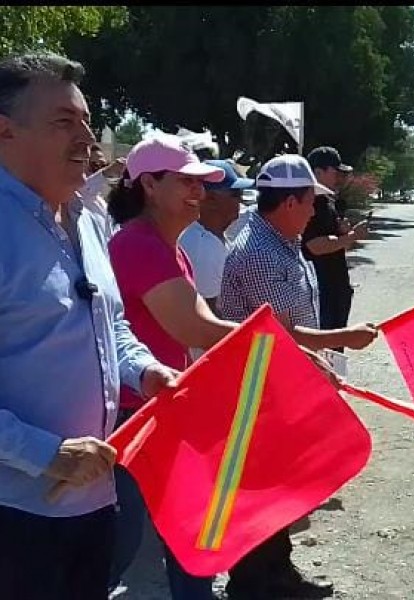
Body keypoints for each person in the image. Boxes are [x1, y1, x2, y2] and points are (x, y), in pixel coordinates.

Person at [0, 51, 177, 600]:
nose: (87, 137)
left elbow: (113, 326)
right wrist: (45, 454)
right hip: (16, 515)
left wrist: (146, 371)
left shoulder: (88, 221)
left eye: (85, 120)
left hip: (95, 503)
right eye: (63, 122)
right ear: (5, 132)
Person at [219, 153, 379, 600]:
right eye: (311, 202)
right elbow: (282, 333)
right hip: (260, 390)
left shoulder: (278, 239)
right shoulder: (258, 253)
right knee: (262, 488)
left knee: (278, 485)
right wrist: (337, 341)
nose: (315, 211)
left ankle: (277, 571)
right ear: (290, 202)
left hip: (277, 383)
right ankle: (254, 583)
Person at [106, 134, 238, 600]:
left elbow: (206, 324)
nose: (199, 192)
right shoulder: (138, 246)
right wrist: (277, 345)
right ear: (148, 185)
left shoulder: (168, 247)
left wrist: (293, 342)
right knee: (118, 548)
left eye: (201, 184)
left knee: (190, 534)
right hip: (132, 417)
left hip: (160, 409)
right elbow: (195, 328)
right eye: (186, 181)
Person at [179, 159, 255, 358]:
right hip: (204, 360)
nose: (240, 200)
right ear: (210, 198)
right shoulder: (203, 245)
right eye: (235, 194)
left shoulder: (209, 237)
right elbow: (209, 318)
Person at [304, 146, 369, 336]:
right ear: (318, 172)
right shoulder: (312, 203)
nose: (340, 178)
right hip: (322, 288)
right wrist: (352, 236)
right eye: (335, 172)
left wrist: (344, 235)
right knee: (326, 346)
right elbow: (314, 245)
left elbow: (336, 245)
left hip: (334, 285)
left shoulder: (326, 202)